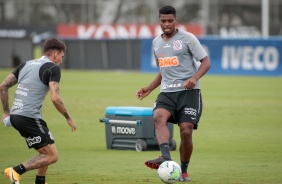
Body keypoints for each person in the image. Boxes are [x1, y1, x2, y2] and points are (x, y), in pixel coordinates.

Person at [136, 6, 211, 182]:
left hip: (188, 92)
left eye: (170, 20)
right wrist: (149, 87)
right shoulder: (156, 43)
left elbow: (206, 62)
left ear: (176, 21)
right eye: (163, 21)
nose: (167, 24)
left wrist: (195, 77)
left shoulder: (188, 38)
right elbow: (164, 70)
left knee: (186, 131)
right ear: (159, 21)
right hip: (167, 92)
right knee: (158, 117)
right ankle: (166, 157)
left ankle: (183, 171)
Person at [0, 38, 77, 184]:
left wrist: (6, 112)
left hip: (17, 116)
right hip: (29, 117)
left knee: (47, 147)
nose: (61, 59)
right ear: (56, 54)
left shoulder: (26, 64)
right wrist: (68, 117)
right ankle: (16, 170)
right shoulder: (52, 68)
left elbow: (3, 86)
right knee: (52, 156)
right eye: (62, 56)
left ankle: (40, 181)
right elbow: (55, 98)